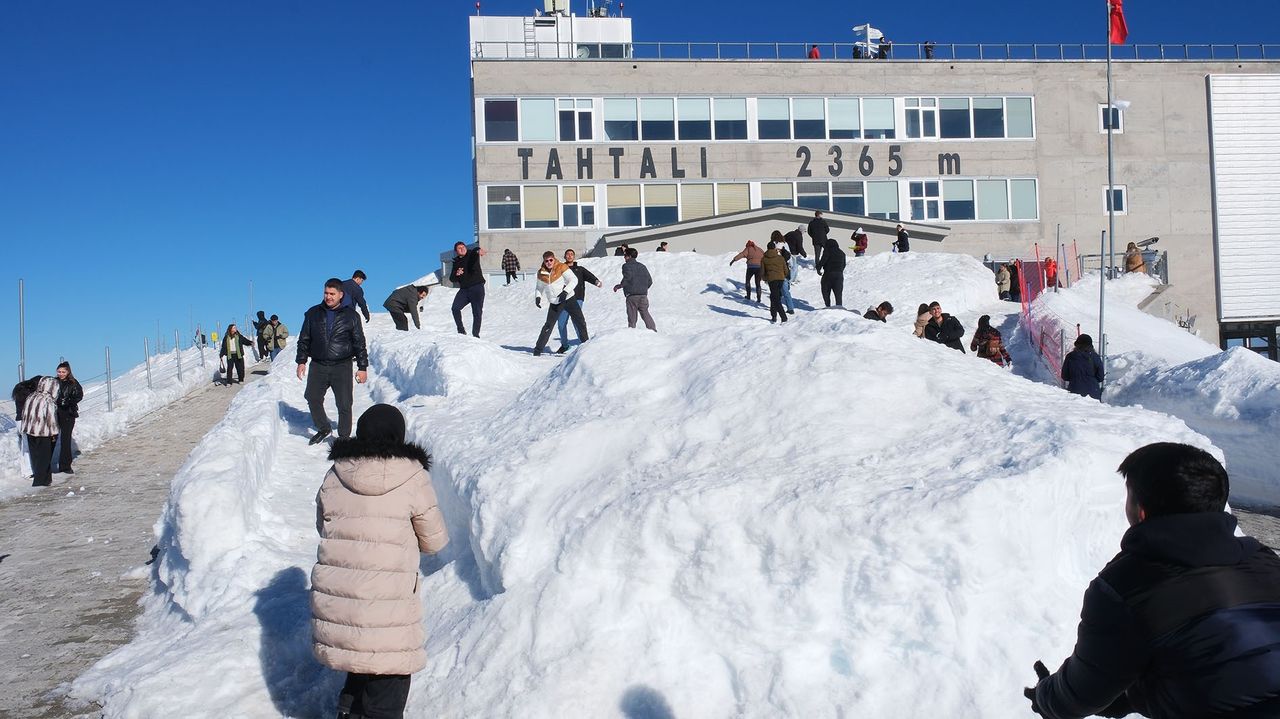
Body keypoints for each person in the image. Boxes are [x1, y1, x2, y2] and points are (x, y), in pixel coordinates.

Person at [1024, 442, 1280, 719]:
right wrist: (1136, 695)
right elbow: (1228, 661)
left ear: (1140, 510)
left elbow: (1082, 694)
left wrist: (1045, 697)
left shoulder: (1125, 586)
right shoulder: (1264, 560)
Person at [311, 404, 449, 719]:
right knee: (387, 678)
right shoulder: (413, 477)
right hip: (390, 607)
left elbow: (324, 527)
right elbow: (434, 541)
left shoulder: (335, 474)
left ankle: (347, 711)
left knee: (359, 664)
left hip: (340, 605)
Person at [297, 278, 369, 445]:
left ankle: (344, 438)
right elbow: (304, 339)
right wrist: (301, 361)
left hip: (341, 365)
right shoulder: (312, 313)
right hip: (318, 364)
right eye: (326, 293)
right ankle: (323, 427)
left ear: (340, 294)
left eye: (332, 294)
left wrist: (362, 367)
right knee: (312, 397)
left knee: (344, 403)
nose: (328, 297)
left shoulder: (351, 316)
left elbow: (359, 342)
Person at [532, 251, 588, 357]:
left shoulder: (561, 267)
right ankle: (537, 350)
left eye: (551, 260)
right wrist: (538, 297)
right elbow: (539, 287)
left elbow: (573, 280)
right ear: (544, 261)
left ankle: (586, 346)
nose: (549, 262)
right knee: (548, 326)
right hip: (555, 302)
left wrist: (565, 292)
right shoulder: (541, 273)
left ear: (554, 259)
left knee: (580, 321)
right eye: (546, 261)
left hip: (568, 299)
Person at [14, 375, 59, 487]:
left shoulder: (31, 396)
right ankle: (40, 481)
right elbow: (50, 418)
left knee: (35, 456)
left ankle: (45, 479)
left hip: (30, 431)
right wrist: (54, 433)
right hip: (44, 432)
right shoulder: (48, 400)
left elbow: (24, 413)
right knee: (44, 457)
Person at [557, 249, 600, 353]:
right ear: (565, 256)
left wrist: (596, 281)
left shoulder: (580, 269)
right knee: (561, 323)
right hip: (564, 299)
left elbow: (589, 276)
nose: (570, 256)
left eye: (572, 254)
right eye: (567, 254)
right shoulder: (560, 270)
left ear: (574, 257)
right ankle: (564, 345)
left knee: (577, 321)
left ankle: (583, 344)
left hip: (577, 298)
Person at [613, 247, 656, 331]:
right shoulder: (643, 266)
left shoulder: (626, 266)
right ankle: (653, 331)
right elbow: (650, 281)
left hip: (632, 296)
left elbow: (628, 277)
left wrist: (619, 286)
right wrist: (642, 288)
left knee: (632, 317)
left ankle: (631, 334)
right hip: (643, 296)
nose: (624, 257)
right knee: (645, 314)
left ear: (629, 256)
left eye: (625, 255)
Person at [450, 242, 487, 337]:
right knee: (455, 308)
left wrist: (478, 250)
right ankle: (461, 331)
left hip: (477, 287)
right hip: (464, 290)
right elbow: (452, 279)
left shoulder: (471, 254)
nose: (462, 249)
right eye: (459, 248)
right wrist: (457, 274)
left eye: (463, 247)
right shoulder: (456, 262)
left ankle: (475, 334)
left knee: (477, 312)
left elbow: (475, 250)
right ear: (456, 251)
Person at [54, 362, 83, 474]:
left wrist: (68, 402)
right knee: (52, 438)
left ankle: (65, 466)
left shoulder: (73, 383)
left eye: (63, 372)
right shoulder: (54, 382)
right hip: (55, 413)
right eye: (59, 371)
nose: (61, 374)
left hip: (68, 413)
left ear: (68, 372)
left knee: (65, 439)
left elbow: (79, 395)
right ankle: (47, 465)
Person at [1062, 334, 1104, 400]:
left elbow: (1065, 376)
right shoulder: (1095, 357)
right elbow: (1100, 377)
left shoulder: (1070, 356)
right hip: (1093, 394)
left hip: (1074, 393)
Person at [761, 240, 791, 324]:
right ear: (774, 248)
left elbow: (762, 272)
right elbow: (785, 269)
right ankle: (773, 316)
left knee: (775, 298)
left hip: (771, 280)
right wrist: (784, 275)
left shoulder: (764, 259)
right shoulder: (780, 258)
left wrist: (765, 278)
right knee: (774, 296)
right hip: (781, 279)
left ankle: (783, 317)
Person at [816, 236, 847, 307]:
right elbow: (844, 264)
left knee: (826, 291)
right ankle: (839, 307)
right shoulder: (842, 253)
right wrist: (839, 271)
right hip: (839, 275)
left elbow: (823, 261)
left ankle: (828, 306)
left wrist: (818, 268)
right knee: (838, 294)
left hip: (828, 274)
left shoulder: (828, 251)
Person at [771, 230, 796, 314]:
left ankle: (775, 307)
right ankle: (790, 308)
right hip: (784, 269)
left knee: (775, 291)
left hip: (775, 269)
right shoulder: (785, 244)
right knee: (786, 291)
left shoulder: (773, 244)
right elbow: (789, 257)